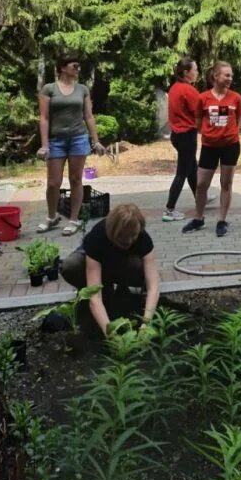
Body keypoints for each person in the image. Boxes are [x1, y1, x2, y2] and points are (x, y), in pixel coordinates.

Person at [61, 203, 160, 337]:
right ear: (113, 232)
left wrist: (146, 324)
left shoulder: (142, 238)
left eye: (133, 236)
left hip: (122, 263)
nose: (129, 241)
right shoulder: (97, 238)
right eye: (124, 237)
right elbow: (95, 296)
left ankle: (124, 293)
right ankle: (91, 294)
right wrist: (110, 333)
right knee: (71, 265)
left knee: (137, 266)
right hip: (97, 262)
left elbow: (153, 286)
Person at [37, 54, 105, 236]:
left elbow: (89, 117)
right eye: (75, 66)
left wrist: (96, 141)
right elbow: (43, 118)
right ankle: (52, 217)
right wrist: (44, 145)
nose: (78, 69)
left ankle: (74, 219)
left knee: (76, 179)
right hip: (55, 141)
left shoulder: (82, 89)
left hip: (78, 139)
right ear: (63, 67)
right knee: (53, 183)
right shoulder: (49, 89)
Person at [182, 61, 241, 237]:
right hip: (209, 147)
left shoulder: (236, 98)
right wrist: (211, 135)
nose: (230, 78)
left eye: (231, 75)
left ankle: (222, 220)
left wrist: (229, 134)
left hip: (230, 146)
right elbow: (199, 122)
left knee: (226, 183)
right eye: (226, 75)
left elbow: (238, 118)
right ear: (215, 76)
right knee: (201, 184)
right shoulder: (203, 98)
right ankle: (198, 219)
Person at [163, 57, 216, 221]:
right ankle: (169, 210)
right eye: (195, 69)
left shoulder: (175, 88)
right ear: (187, 73)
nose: (197, 72)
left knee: (192, 168)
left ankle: (201, 198)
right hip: (186, 135)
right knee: (182, 172)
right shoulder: (188, 91)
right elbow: (201, 111)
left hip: (178, 135)